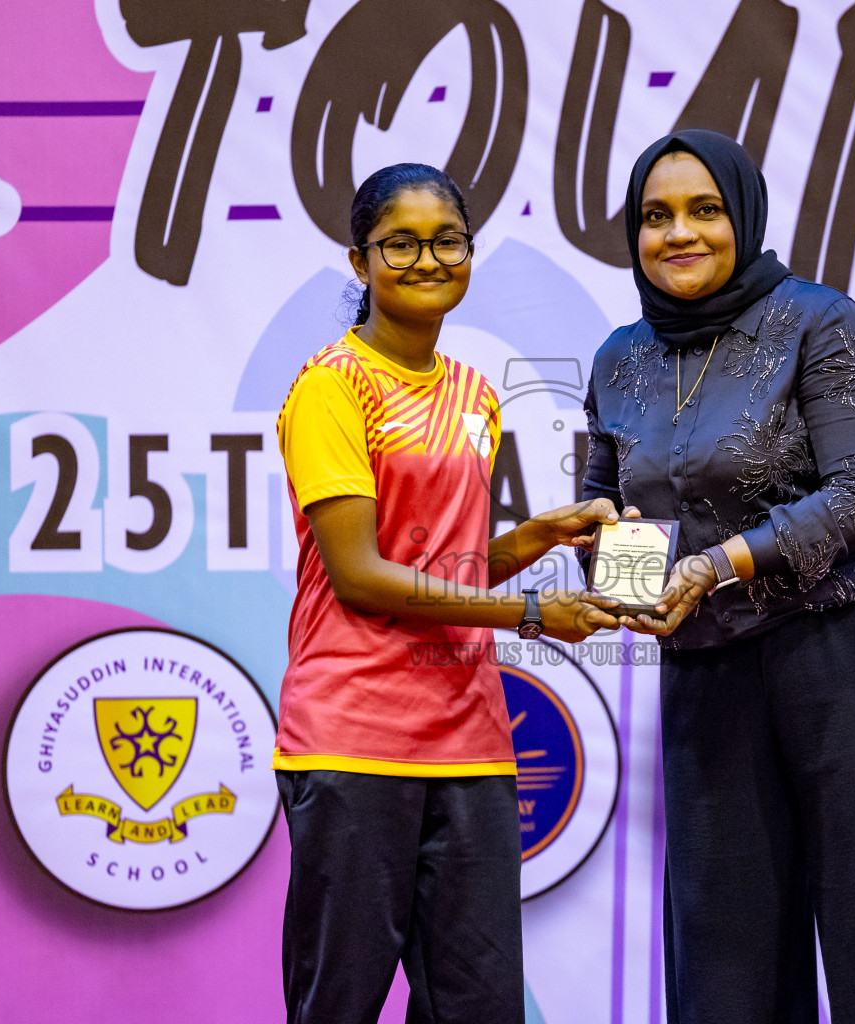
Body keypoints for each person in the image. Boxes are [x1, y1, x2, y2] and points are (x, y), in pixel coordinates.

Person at [580, 130, 855, 1024]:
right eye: (655, 216)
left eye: (703, 210)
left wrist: (718, 563)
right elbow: (611, 511)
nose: (678, 233)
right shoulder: (617, 359)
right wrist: (624, 581)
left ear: (745, 216)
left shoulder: (819, 320)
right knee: (724, 961)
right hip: (707, 670)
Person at [274, 162, 623, 1024]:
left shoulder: (474, 391)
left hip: (470, 742)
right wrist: (535, 612)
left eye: (447, 241)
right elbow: (361, 576)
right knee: (339, 1002)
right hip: (353, 739)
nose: (428, 259)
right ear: (359, 263)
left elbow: (444, 567)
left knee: (479, 1006)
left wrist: (535, 540)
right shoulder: (332, 386)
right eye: (400, 243)